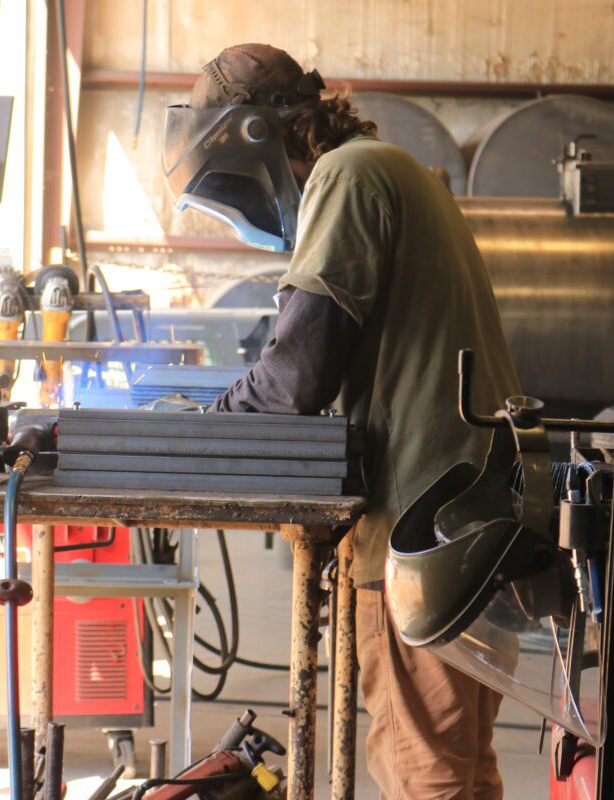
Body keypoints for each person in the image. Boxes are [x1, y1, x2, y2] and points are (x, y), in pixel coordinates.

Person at [162, 43, 521, 800]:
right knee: (457, 770)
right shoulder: (390, 170)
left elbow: (297, 373)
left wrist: (203, 428)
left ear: (267, 137)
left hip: (425, 533)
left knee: (425, 777)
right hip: (463, 519)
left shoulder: (348, 174)